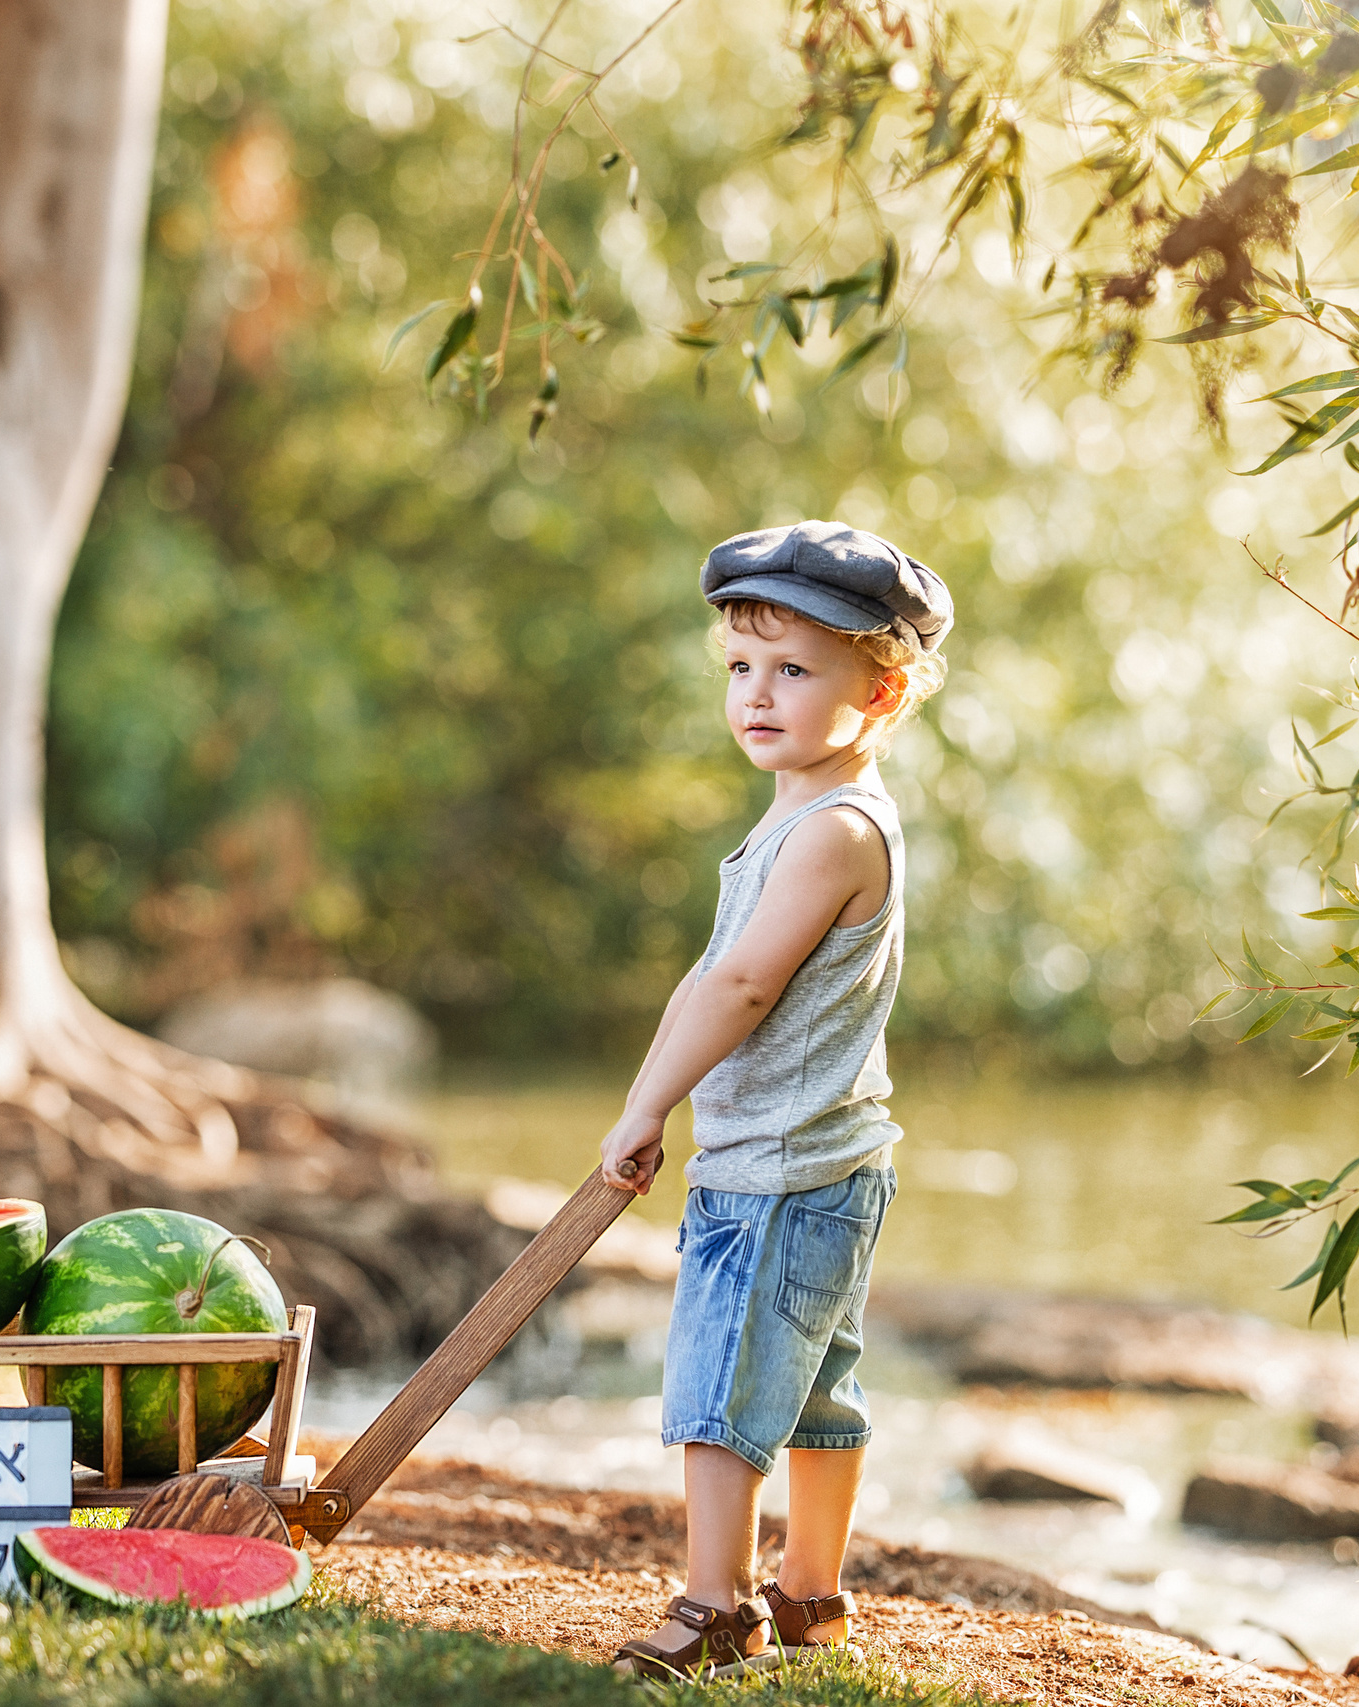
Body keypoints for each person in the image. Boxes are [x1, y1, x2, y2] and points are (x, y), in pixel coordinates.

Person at [601, 519, 952, 1681]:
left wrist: (646, 1107)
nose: (758, 693)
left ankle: (716, 1607)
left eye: (795, 669)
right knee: (812, 1390)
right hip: (829, 1160)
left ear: (883, 688)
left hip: (778, 1168)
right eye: (742, 668)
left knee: (719, 1392)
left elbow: (740, 985)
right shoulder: (810, 807)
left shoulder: (832, 830)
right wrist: (658, 1084)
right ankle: (810, 1594)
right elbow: (715, 980)